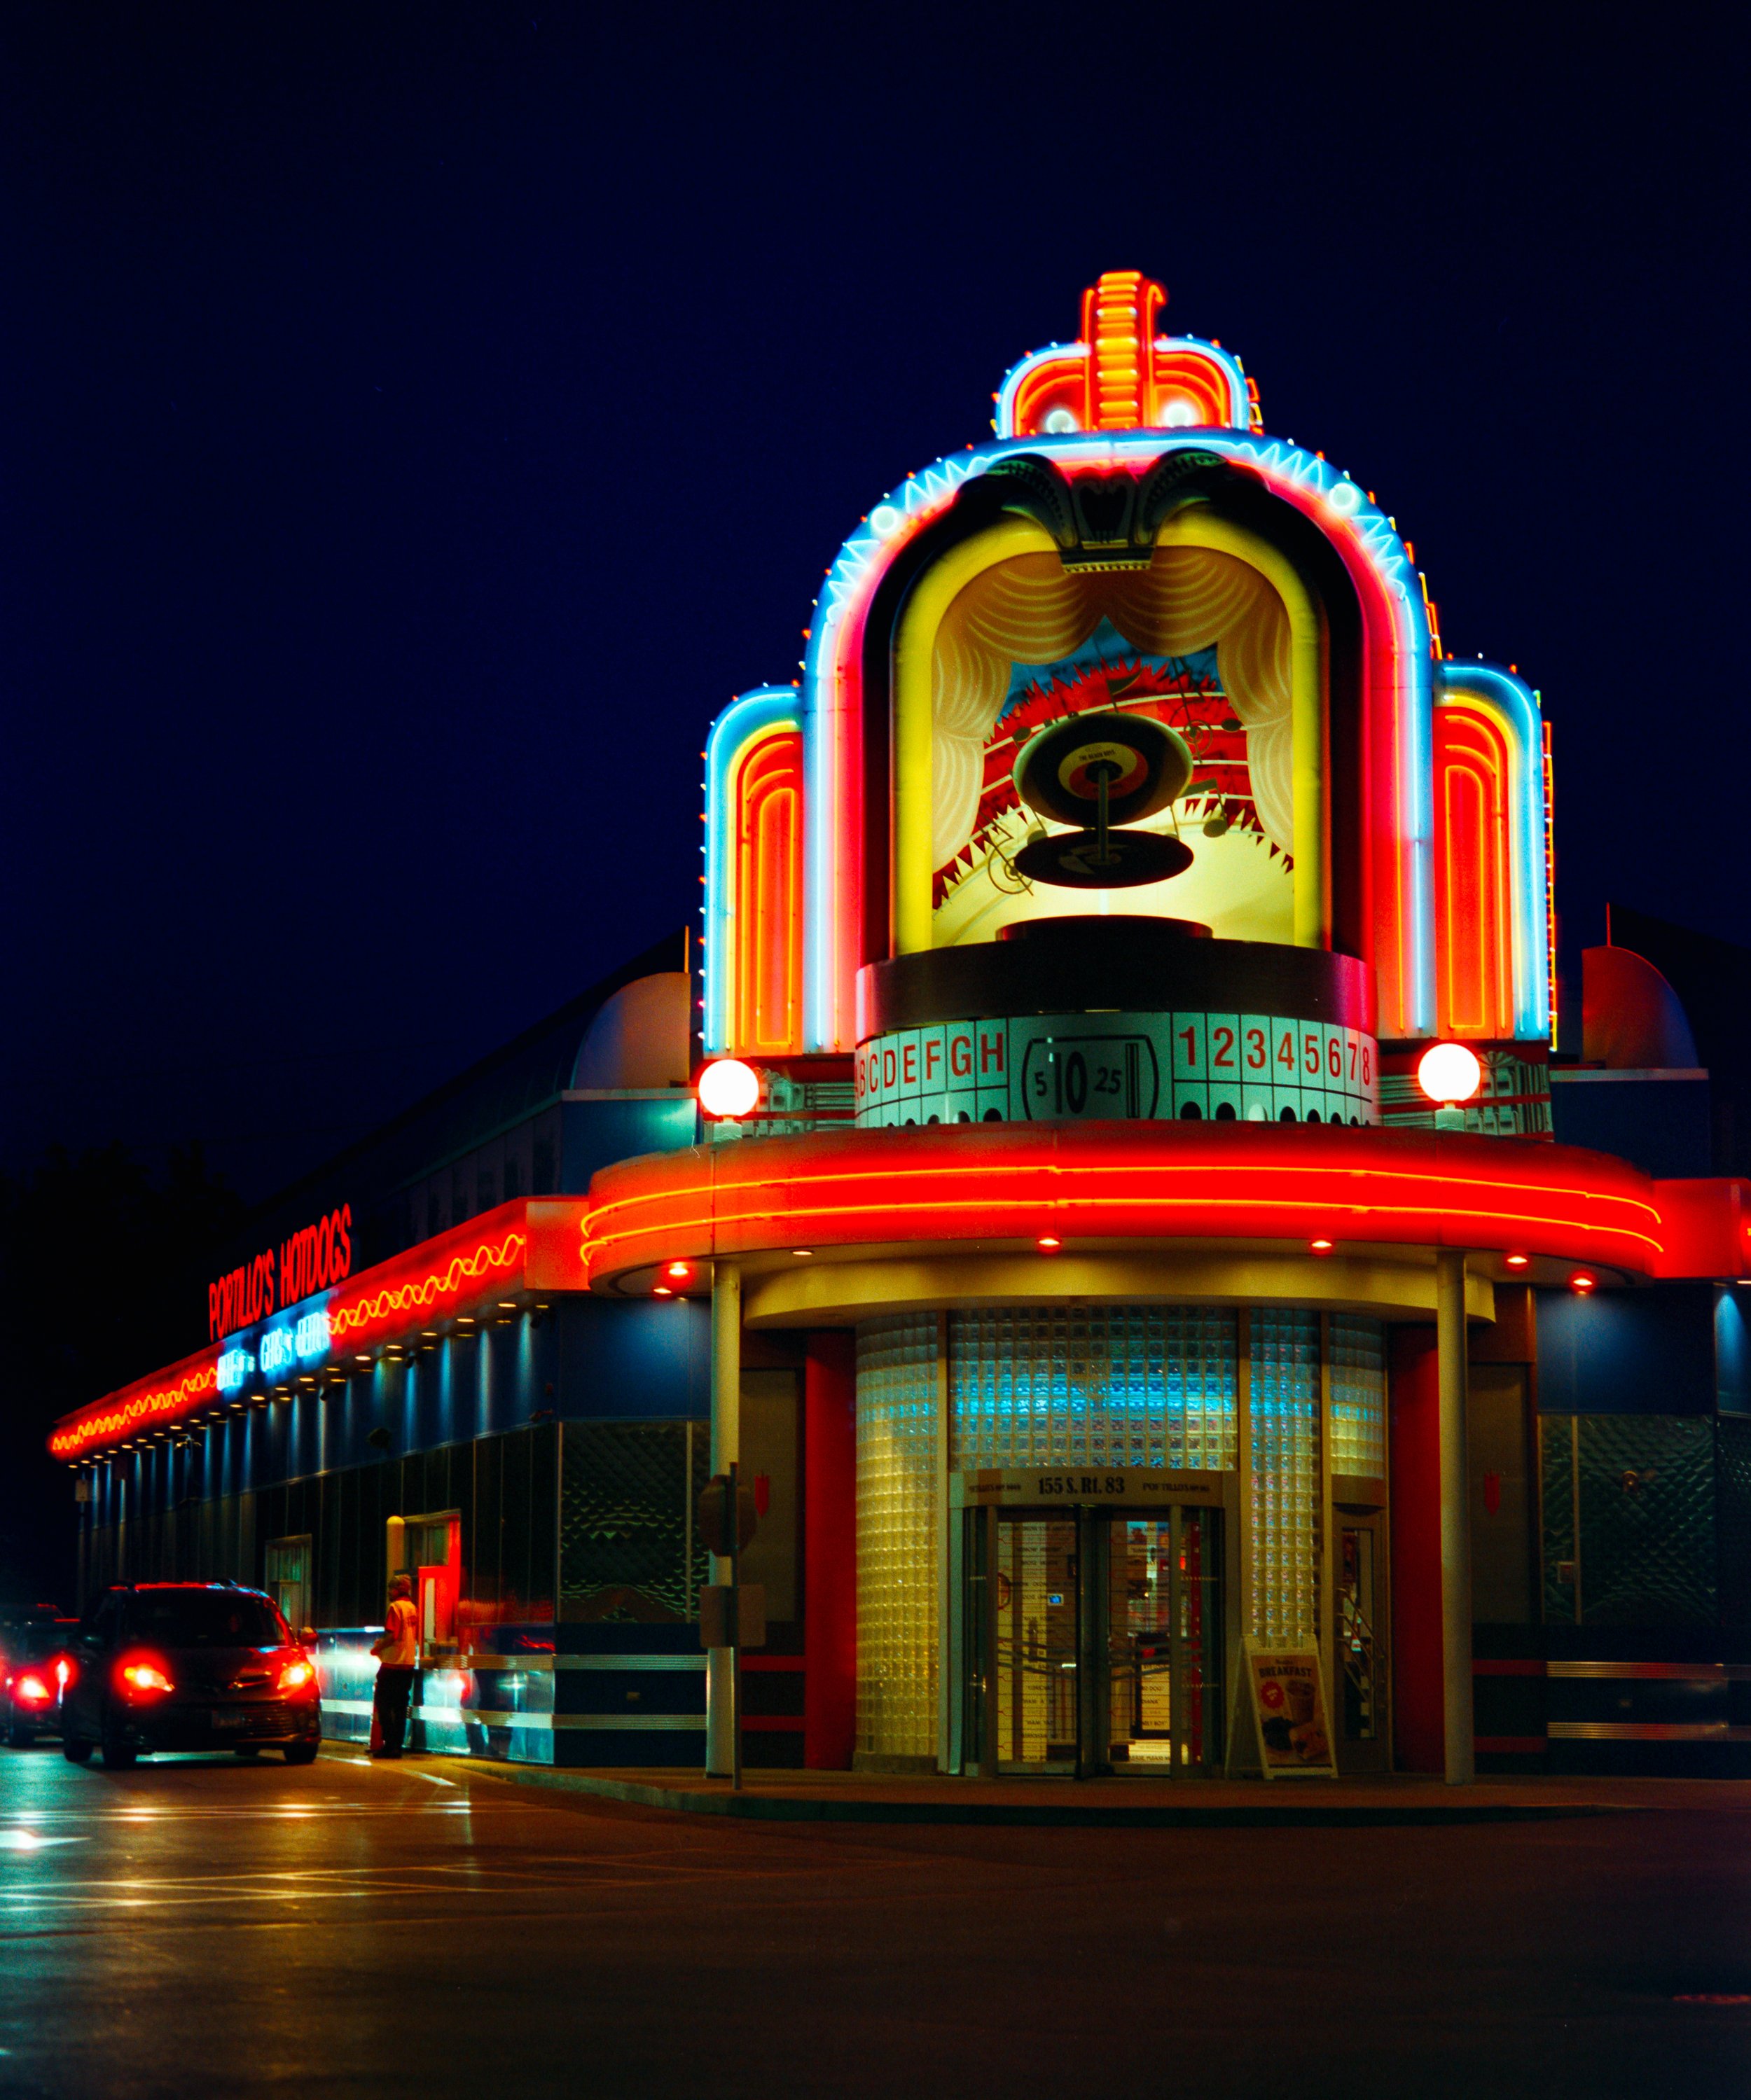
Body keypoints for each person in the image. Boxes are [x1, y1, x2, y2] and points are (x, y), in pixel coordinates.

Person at [369, 1573, 420, 1758]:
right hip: (408, 1665)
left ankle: (389, 1745)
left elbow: (393, 1635)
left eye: (391, 1588)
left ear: (399, 1590)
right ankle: (397, 1746)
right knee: (400, 1708)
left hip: (392, 1664)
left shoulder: (395, 1607)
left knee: (383, 1704)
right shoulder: (412, 1608)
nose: (389, 1592)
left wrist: (376, 1648)